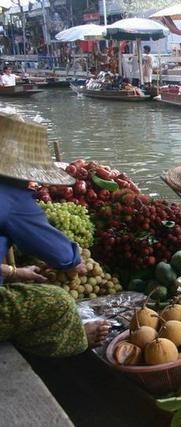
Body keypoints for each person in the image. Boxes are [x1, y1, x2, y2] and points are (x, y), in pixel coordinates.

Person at [0, 111, 110, 358]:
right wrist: (75, 259)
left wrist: (16, 272)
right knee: (57, 301)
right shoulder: (13, 197)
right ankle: (78, 339)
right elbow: (61, 255)